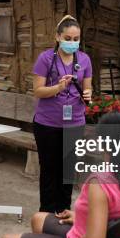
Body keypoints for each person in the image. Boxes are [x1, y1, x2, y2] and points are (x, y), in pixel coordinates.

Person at [32, 15, 93, 213]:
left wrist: (88, 95)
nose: (72, 43)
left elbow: (88, 91)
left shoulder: (84, 60)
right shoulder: (46, 58)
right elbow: (38, 91)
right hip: (47, 124)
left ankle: (64, 212)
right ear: (58, 37)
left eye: (76, 39)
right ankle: (46, 214)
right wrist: (58, 87)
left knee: (67, 171)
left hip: (75, 122)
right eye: (68, 38)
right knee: (49, 170)